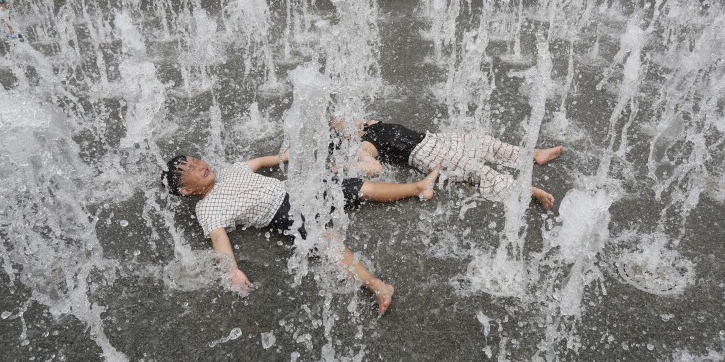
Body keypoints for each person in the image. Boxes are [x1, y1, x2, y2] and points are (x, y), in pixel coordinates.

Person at [162, 151, 440, 315]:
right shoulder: (207, 208)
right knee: (327, 242)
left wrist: (281, 157)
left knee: (357, 187)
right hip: (281, 214)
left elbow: (257, 163)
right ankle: (377, 285)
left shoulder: (228, 171)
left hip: (295, 191)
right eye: (193, 171)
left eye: (197, 161)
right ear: (186, 190)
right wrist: (231, 269)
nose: (201, 166)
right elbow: (219, 238)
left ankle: (416, 187)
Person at [336, 120, 564, 210]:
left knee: (485, 143)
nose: (347, 120)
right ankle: (527, 192)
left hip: (432, 138)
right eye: (340, 124)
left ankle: (533, 155)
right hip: (422, 153)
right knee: (475, 170)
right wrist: (343, 166)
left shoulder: (371, 125)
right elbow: (375, 169)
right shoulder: (364, 145)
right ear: (343, 136)